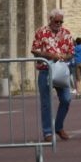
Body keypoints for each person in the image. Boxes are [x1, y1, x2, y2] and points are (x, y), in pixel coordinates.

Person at [31, 9, 75, 142]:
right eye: (56, 21)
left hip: (61, 71)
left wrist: (63, 57)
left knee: (66, 99)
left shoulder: (66, 34)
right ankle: (47, 132)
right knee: (46, 103)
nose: (59, 24)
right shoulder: (41, 32)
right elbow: (34, 49)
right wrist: (50, 55)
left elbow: (71, 52)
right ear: (50, 20)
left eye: (61, 21)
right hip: (45, 70)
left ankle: (59, 126)